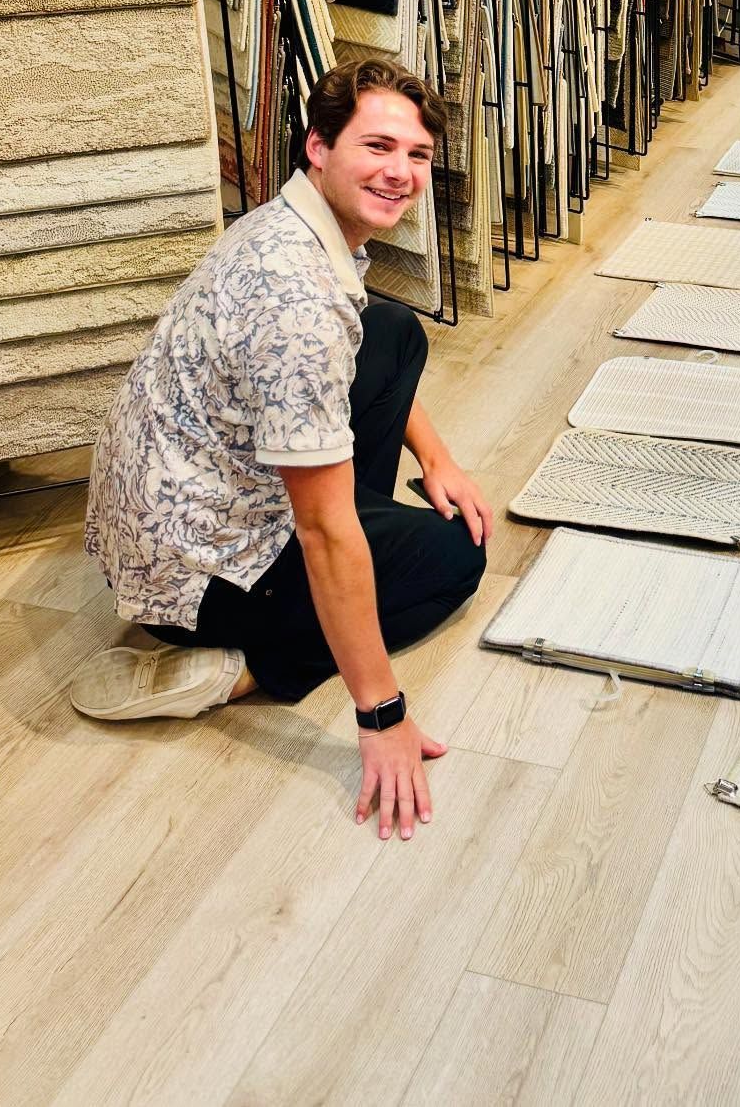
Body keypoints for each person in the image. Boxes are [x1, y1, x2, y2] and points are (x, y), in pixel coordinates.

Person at [72, 58, 492, 843]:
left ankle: (334, 571)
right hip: (193, 579)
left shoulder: (292, 224)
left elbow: (359, 345)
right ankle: (242, 670)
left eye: (417, 155)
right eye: (377, 147)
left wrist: (437, 458)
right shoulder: (297, 302)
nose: (400, 173)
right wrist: (383, 715)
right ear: (318, 148)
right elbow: (323, 531)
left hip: (170, 512)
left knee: (393, 334)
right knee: (453, 559)